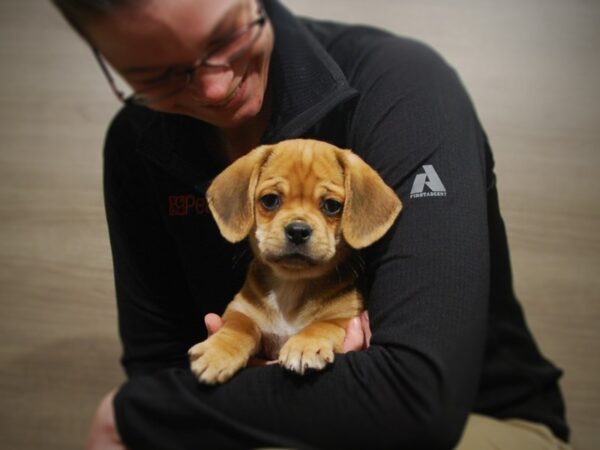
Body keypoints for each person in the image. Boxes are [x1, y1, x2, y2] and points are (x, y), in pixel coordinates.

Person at [51, 0, 571, 449]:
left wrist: (136, 412)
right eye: (156, 73)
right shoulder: (134, 140)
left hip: (477, 421)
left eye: (226, 36)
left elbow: (418, 399)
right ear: (109, 62)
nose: (214, 88)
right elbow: (158, 366)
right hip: (262, 410)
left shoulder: (404, 86)